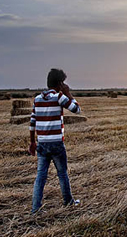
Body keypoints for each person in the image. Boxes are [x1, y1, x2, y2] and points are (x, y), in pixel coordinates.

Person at [29, 68, 81, 214]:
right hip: (57, 143)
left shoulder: (37, 99)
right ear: (60, 83)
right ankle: (68, 201)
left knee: (40, 176)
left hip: (42, 143)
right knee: (62, 173)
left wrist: (32, 142)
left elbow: (32, 122)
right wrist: (68, 94)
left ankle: (35, 208)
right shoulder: (59, 97)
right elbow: (76, 109)